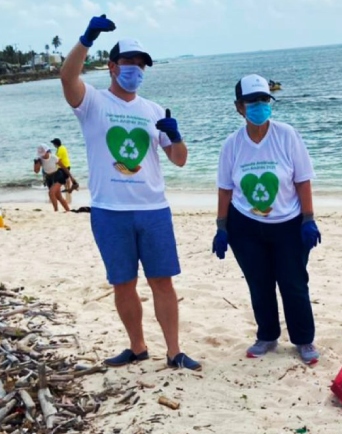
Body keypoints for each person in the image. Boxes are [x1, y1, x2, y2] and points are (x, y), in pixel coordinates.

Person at [59, 15, 200, 370]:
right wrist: (86, 38)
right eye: (128, 64)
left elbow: (179, 160)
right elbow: (67, 77)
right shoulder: (92, 102)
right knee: (123, 283)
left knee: (162, 282)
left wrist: (176, 134)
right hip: (109, 210)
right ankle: (137, 347)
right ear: (111, 67)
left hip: (153, 209)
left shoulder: (153, 110)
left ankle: (174, 352)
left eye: (140, 66)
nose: (135, 70)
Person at [212, 74, 322, 365]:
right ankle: (267, 335)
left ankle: (304, 339)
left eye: (264, 100)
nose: (259, 106)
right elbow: (225, 189)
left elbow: (303, 179)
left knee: (294, 282)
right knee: (259, 283)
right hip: (245, 225)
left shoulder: (287, 135)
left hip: (288, 223)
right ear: (239, 107)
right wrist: (221, 227)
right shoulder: (231, 145)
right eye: (252, 101)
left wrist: (308, 219)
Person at [33, 144, 75, 212]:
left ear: (47, 151)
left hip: (58, 176)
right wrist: (36, 163)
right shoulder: (40, 159)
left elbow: (64, 167)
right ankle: (68, 210)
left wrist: (72, 178)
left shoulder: (53, 157)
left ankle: (56, 211)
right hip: (49, 178)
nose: (43, 155)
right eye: (41, 154)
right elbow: (36, 171)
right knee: (59, 197)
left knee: (51, 193)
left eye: (43, 153)